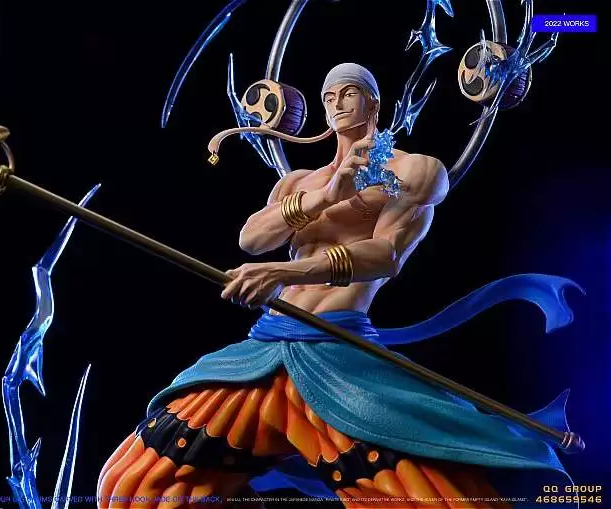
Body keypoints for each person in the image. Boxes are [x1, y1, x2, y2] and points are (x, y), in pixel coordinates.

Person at [96, 64, 575, 508]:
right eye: (329, 97)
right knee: (133, 487)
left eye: (350, 93)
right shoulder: (298, 183)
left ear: (374, 103)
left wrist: (284, 273)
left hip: (335, 353)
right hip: (264, 351)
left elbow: (384, 256)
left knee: (426, 497)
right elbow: (252, 239)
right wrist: (327, 195)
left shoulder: (412, 171)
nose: (338, 104)